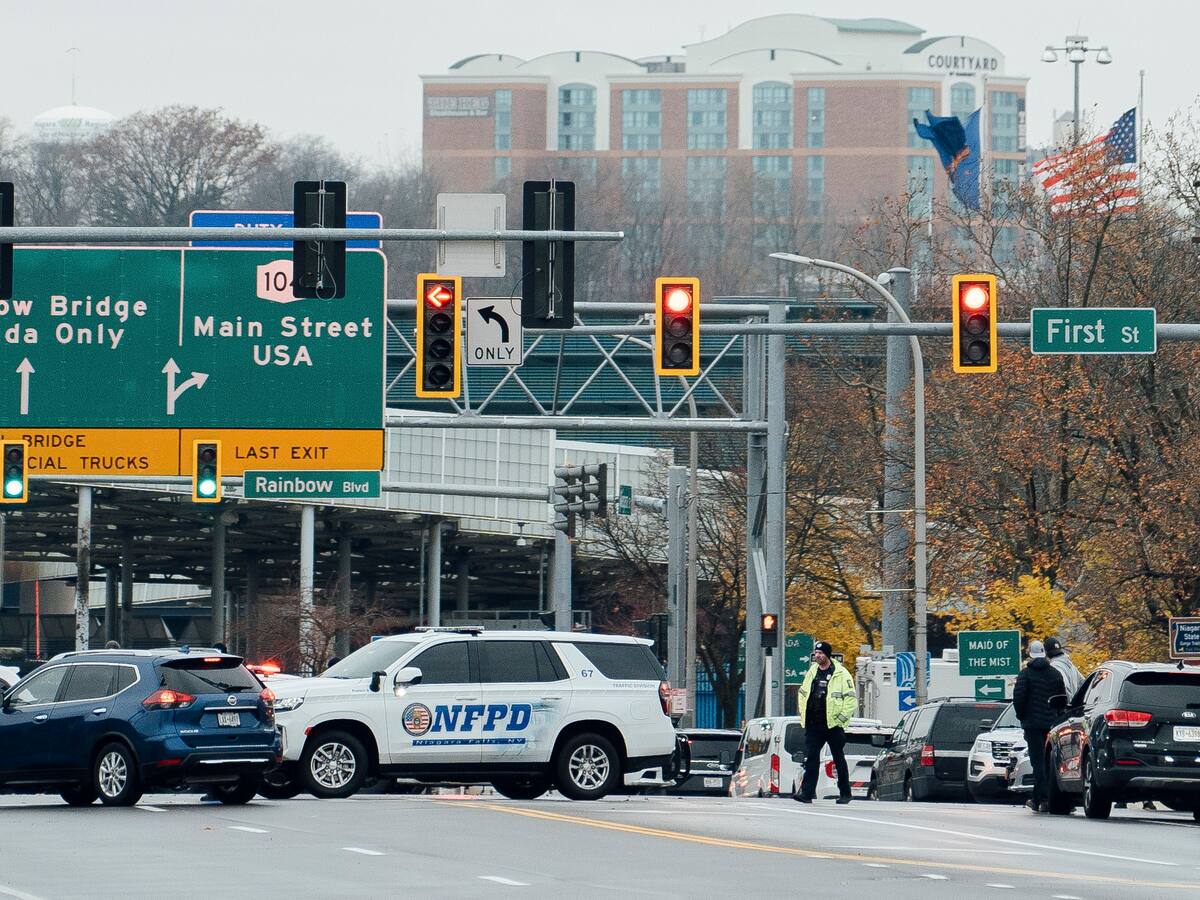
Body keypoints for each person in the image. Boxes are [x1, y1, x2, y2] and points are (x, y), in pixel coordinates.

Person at [794, 640, 857, 805]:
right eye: (816, 653)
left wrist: (841, 720)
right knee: (812, 758)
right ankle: (807, 793)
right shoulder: (812, 671)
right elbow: (803, 693)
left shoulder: (841, 674)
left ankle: (845, 793)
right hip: (814, 724)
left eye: (820, 653)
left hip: (833, 725)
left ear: (827, 655)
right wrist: (803, 713)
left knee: (838, 758)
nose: (817, 656)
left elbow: (851, 701)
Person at [1013, 639, 1066, 813]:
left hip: (1033, 726)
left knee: (1038, 763)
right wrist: (1058, 716)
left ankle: (1044, 799)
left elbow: (1019, 700)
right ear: (1044, 653)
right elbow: (1061, 699)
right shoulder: (1055, 674)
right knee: (1050, 763)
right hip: (1052, 725)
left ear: (1030, 653)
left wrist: (1023, 718)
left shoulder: (1025, 675)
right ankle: (1038, 799)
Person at [1044, 636, 1082, 700]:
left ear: (1046, 652)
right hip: (1074, 707)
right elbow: (1083, 683)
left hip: (1067, 708)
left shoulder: (1054, 666)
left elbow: (1064, 686)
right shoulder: (1070, 665)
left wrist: (1068, 705)